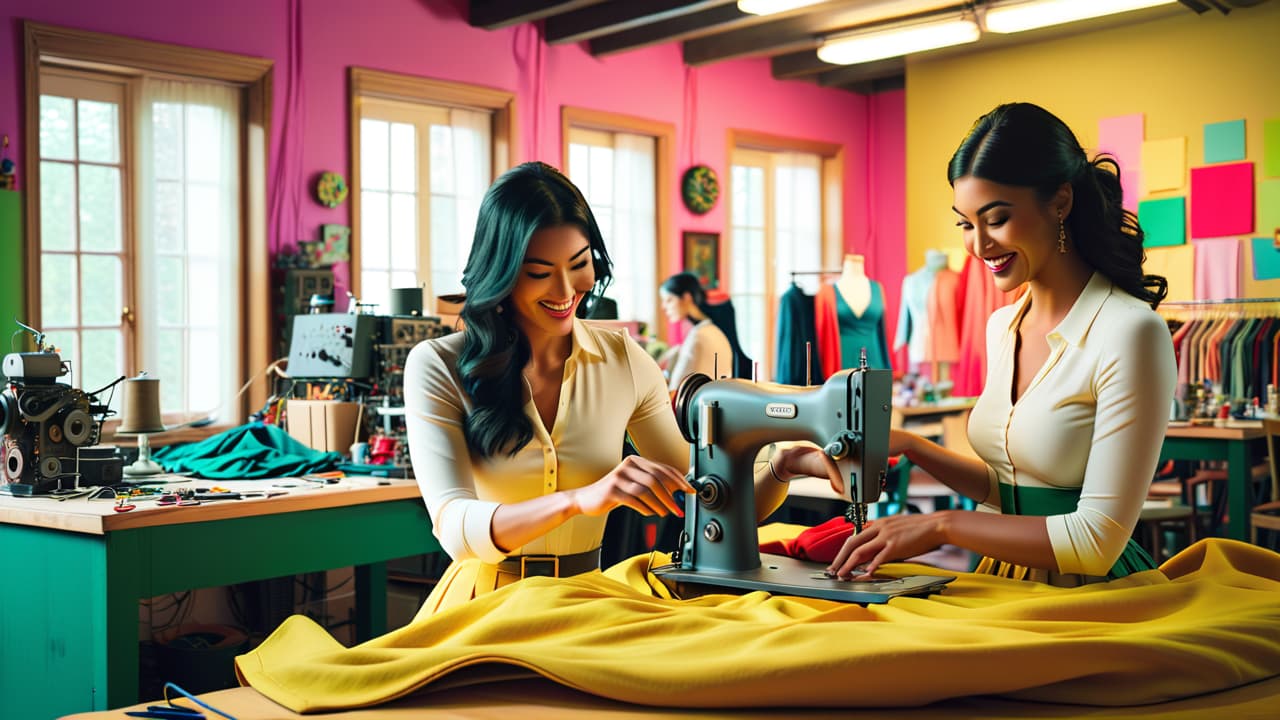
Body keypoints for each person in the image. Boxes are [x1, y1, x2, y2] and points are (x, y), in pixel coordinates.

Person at [403, 162, 832, 611]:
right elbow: (454, 527)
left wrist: (781, 467)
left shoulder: (624, 362)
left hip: (587, 600)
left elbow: (709, 498)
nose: (567, 289)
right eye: (539, 272)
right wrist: (580, 500)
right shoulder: (438, 366)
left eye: (580, 264)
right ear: (501, 272)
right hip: (480, 604)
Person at [826, 102, 1176, 587]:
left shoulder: (1130, 332)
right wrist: (911, 446)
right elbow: (1009, 488)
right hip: (999, 579)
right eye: (966, 224)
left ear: (1060, 202)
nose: (979, 245)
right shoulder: (1003, 326)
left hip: (1087, 594)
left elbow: (1097, 540)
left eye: (997, 218)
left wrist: (942, 525)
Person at [657, 272, 734, 391]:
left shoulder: (698, 336)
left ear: (687, 298)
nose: (663, 307)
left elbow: (676, 391)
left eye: (669, 300)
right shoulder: (711, 331)